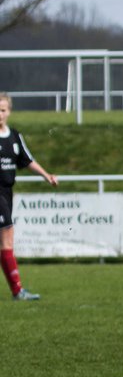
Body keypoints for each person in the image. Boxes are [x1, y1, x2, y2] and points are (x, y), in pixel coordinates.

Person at [0, 93, 56, 301]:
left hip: (6, 192)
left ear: (9, 112)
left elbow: (27, 159)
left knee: (6, 240)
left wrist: (46, 175)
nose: (0, 114)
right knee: (7, 236)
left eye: (3, 110)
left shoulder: (14, 136)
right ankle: (17, 290)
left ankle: (17, 290)